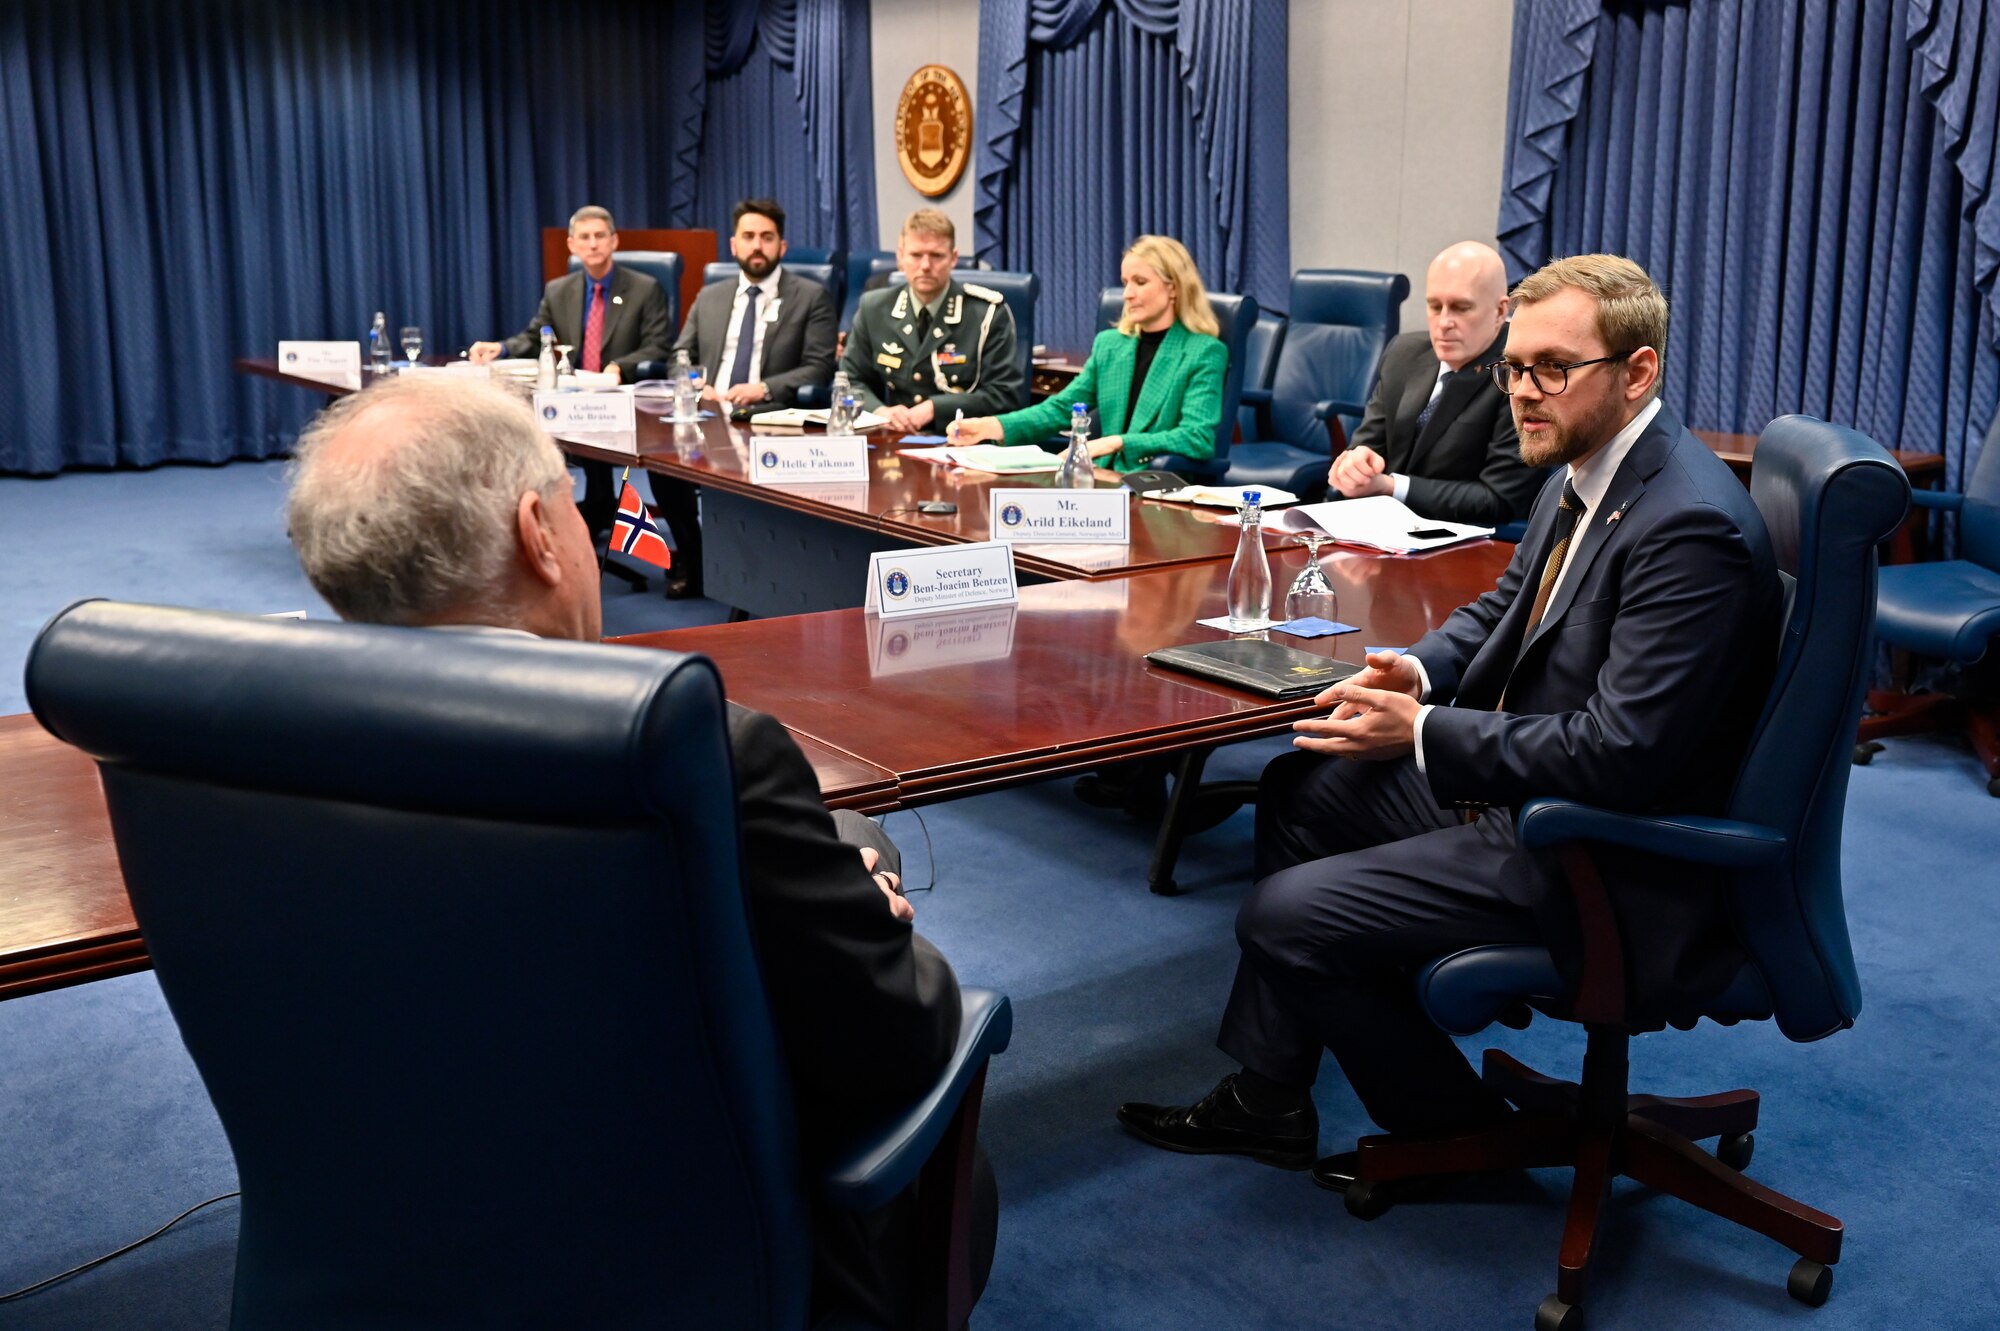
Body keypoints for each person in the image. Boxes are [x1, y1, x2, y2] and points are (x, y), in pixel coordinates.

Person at [285, 373, 992, 1330]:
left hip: (400, 1214)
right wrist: (883, 929)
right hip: (706, 1250)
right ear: (541, 531)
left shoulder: (264, 742)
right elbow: (902, 1041)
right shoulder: (703, 756)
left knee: (849, 837)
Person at [1116, 254, 1782, 1191]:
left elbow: (1619, 754)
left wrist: (1422, 732)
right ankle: (1271, 1098)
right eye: (1516, 366)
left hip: (1606, 852)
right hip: (1531, 794)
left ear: (1639, 372)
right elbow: (1500, 611)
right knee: (1304, 787)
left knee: (1282, 915)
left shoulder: (1689, 526)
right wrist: (1417, 668)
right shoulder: (1585, 465)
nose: (1523, 392)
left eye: (1553, 367)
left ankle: (1453, 1133)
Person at [658, 197, 839, 599]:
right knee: (661, 463)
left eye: (767, 237)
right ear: (734, 244)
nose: (758, 245)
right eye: (749, 237)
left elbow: (818, 368)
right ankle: (695, 555)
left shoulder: (810, 297)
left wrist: (765, 388)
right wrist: (693, 383)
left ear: (782, 246)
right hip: (707, 414)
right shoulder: (711, 297)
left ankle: (762, 573)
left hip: (766, 417)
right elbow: (678, 357)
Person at [468, 205, 670, 536]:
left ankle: (599, 506)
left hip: (623, 399)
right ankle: (591, 506)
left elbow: (658, 345)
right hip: (572, 398)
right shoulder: (559, 290)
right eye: (585, 237)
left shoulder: (644, 288)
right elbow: (537, 336)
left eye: (600, 236)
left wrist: (620, 366)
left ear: (614, 241)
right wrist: (500, 348)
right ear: (572, 245)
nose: (593, 245)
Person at [950, 234, 1225, 475]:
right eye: (1125, 282)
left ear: (1173, 288)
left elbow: (1197, 437)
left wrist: (1116, 442)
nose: (1127, 294)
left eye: (1140, 282)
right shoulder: (1110, 345)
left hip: (1158, 488)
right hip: (1103, 478)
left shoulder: (1204, 352)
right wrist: (992, 426)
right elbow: (1061, 408)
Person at [1327, 241, 1541, 526]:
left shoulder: (1521, 374)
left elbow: (1499, 499)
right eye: (1434, 306)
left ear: (1500, 311)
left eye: (1461, 308)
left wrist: (1392, 487)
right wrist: (1356, 463)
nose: (1443, 323)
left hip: (1460, 539)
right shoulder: (1403, 353)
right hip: (1379, 527)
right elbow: (1370, 441)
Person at [839, 208, 1023, 431]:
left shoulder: (987, 314)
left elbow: (1005, 395)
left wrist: (935, 408)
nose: (925, 266)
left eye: (936, 256)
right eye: (916, 255)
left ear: (953, 258)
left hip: (962, 442)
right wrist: (881, 410)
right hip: (894, 438)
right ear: (900, 257)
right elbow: (849, 381)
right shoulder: (875, 308)